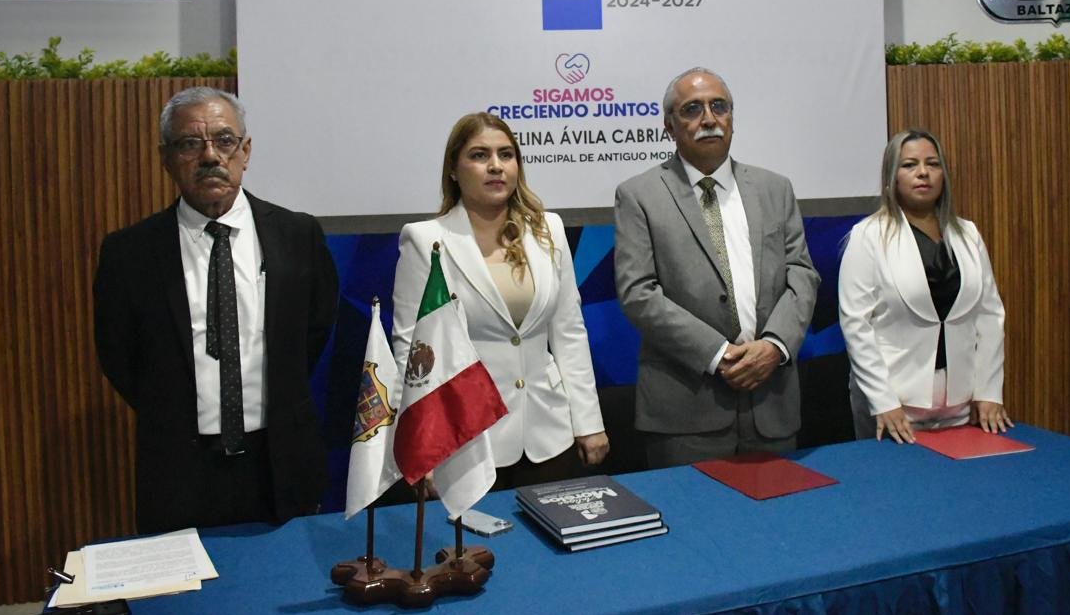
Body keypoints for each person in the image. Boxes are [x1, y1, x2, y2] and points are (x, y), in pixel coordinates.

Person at [93, 86, 338, 533]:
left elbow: (314, 331)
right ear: (166, 158)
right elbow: (118, 356)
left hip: (279, 460)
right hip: (178, 469)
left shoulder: (297, 236)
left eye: (224, 140)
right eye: (191, 143)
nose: (210, 156)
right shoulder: (129, 253)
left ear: (246, 151)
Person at [613, 67, 818, 468]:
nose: (709, 118)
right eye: (692, 109)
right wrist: (719, 354)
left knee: (781, 508)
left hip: (771, 403)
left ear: (732, 118)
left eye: (718, 106)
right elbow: (638, 293)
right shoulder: (638, 195)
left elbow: (802, 274)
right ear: (669, 127)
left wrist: (774, 347)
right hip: (685, 412)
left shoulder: (775, 189)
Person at [391, 112, 608, 489]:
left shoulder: (549, 230)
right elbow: (411, 349)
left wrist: (588, 423)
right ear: (453, 169)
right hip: (466, 439)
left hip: (549, 434)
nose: (496, 166)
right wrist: (420, 444)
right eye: (479, 155)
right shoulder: (425, 240)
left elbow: (569, 332)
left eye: (506, 155)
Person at [838, 128, 1011, 444]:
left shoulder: (968, 234)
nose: (923, 173)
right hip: (894, 407)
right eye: (909, 165)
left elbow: (989, 315)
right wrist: (883, 401)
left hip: (962, 404)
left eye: (932, 164)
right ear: (891, 177)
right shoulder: (868, 236)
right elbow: (856, 325)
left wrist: (988, 390)